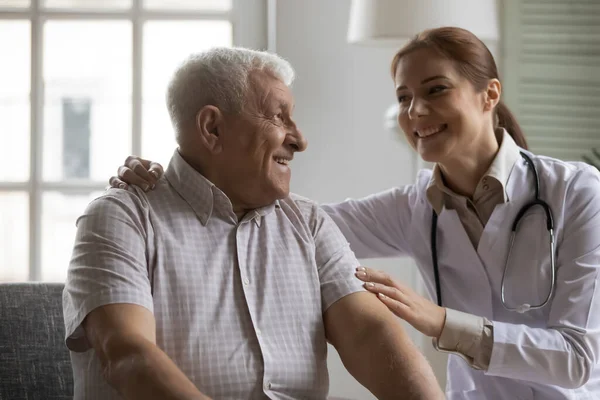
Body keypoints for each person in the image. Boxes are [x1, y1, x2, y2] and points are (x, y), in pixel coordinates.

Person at [112, 28, 600, 399]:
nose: (415, 113)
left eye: (435, 90)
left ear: (488, 94)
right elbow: (277, 221)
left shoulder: (578, 192)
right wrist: (175, 179)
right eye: (403, 98)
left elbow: (582, 358)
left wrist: (441, 322)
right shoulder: (414, 208)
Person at [64, 47, 443, 400]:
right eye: (279, 117)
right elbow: (127, 355)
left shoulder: (309, 223)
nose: (299, 139)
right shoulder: (123, 218)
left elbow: (369, 333)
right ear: (212, 128)